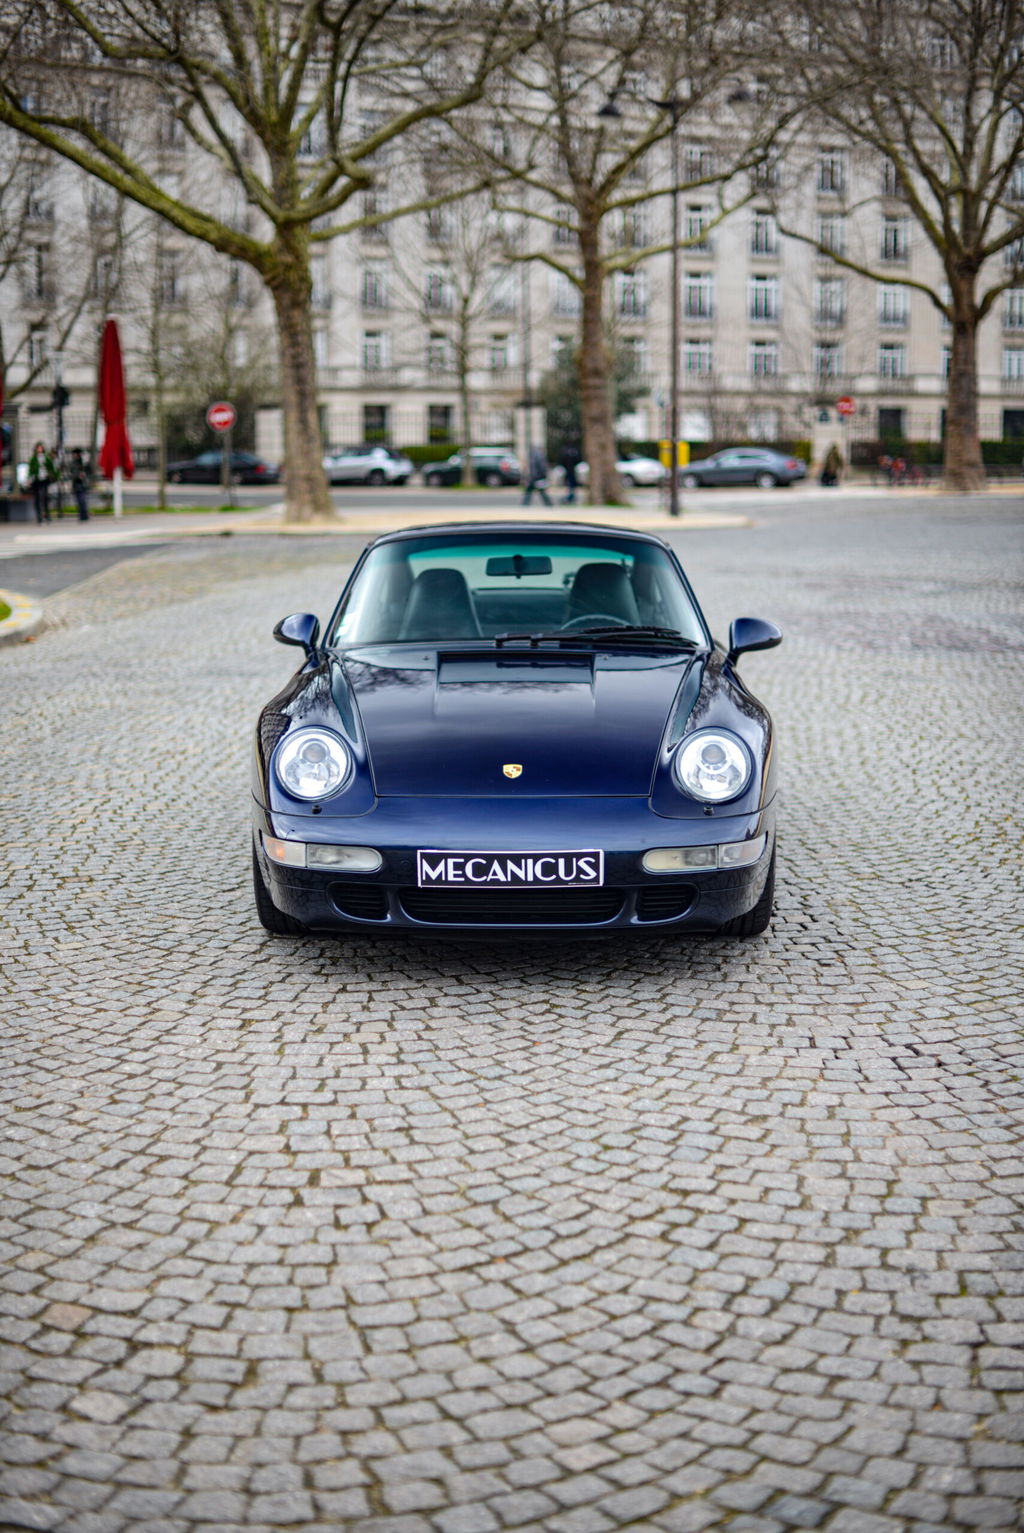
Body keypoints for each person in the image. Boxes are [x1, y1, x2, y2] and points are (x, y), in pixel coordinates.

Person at [27, 441, 57, 523]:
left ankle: (47, 515)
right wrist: (29, 479)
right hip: (36, 480)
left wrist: (53, 476)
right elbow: (30, 470)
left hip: (44, 480)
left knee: (45, 497)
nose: (40, 449)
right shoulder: (33, 459)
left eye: (41, 448)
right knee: (37, 499)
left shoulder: (46, 458)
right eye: (38, 448)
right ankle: (39, 516)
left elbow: (52, 468)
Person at [70, 448, 91, 520]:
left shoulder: (84, 462)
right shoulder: (73, 463)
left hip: (83, 484)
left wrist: (85, 475)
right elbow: (72, 474)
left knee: (83, 500)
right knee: (79, 501)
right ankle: (82, 515)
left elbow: (89, 471)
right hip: (77, 484)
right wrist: (78, 475)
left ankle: (84, 515)